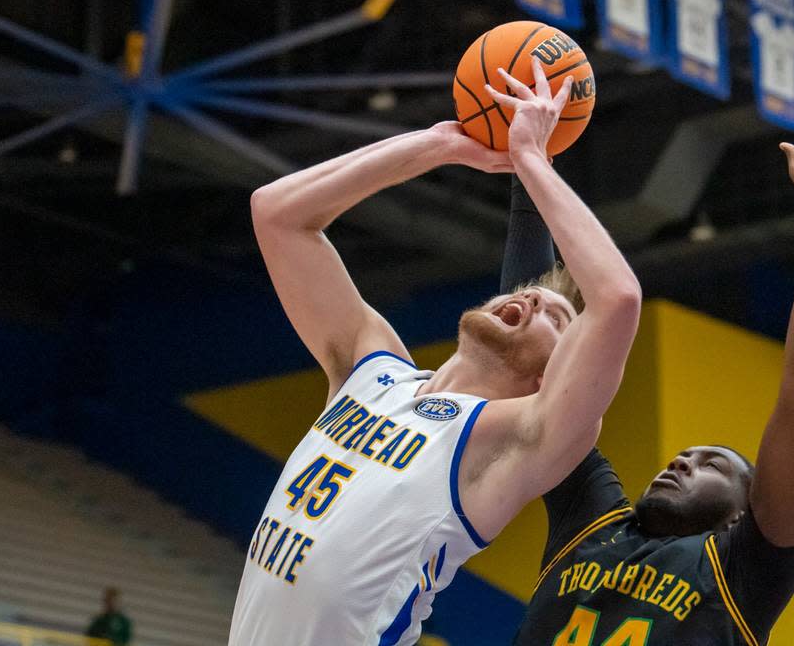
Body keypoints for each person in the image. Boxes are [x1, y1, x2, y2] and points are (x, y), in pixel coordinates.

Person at [228, 60, 642, 646]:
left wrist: (530, 158)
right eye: (527, 294)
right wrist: (437, 145)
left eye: (557, 317)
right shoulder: (370, 372)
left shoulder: (516, 436)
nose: (530, 301)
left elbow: (619, 299)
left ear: (554, 378)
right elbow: (276, 214)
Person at [508, 108, 794, 646]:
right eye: (687, 456)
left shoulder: (743, 569)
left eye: (712, 465)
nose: (683, 459)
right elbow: (530, 339)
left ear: (740, 516)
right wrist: (530, 168)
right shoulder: (591, 526)